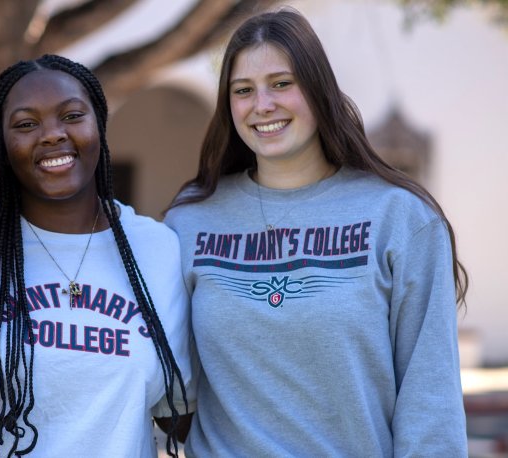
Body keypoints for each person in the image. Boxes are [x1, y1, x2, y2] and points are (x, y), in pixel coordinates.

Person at [164, 8, 469, 457]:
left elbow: (431, 402)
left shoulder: (400, 218)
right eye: (243, 90)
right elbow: (164, 383)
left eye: (282, 84)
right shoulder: (190, 222)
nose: (262, 104)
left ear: (319, 88)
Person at [0, 54, 193, 458]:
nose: (52, 135)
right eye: (26, 124)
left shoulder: (157, 249)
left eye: (71, 115)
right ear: (3, 144)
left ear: (98, 125)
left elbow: (178, 409)